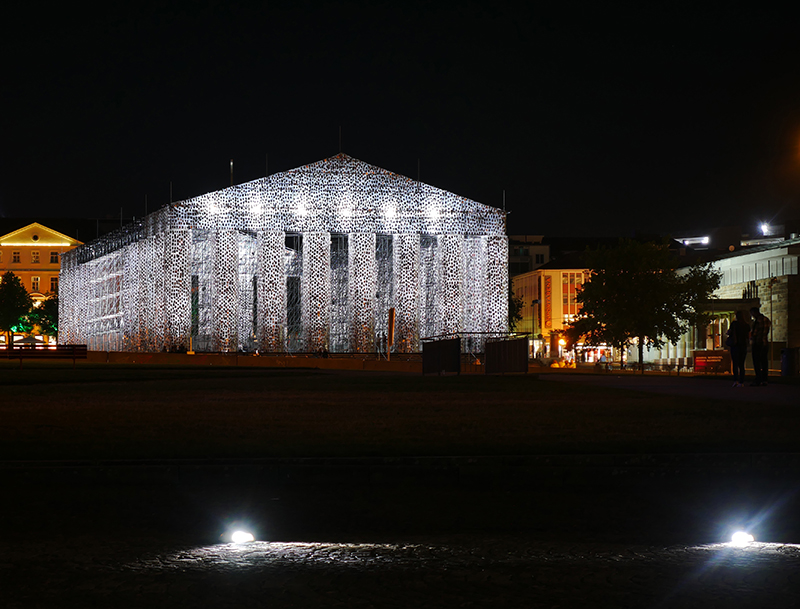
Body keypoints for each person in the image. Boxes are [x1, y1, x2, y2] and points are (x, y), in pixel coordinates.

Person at [726, 310, 750, 387]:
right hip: (743, 345)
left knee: (735, 364)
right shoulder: (746, 325)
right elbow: (748, 336)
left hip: (735, 345)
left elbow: (729, 332)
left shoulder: (734, 324)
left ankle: (735, 380)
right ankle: (741, 381)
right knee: (742, 364)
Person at [749, 306, 771, 386]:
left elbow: (754, 333)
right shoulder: (766, 319)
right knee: (764, 362)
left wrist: (751, 337)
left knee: (757, 362)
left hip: (758, 343)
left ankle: (758, 379)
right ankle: (764, 379)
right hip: (765, 343)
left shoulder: (757, 321)